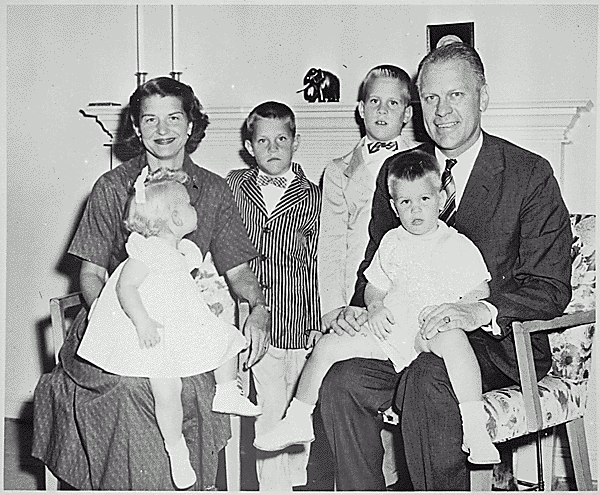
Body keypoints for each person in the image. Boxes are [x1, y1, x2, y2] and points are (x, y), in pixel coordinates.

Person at [320, 42, 572, 490]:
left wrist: (479, 310)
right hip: (402, 336)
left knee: (427, 378)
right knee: (341, 379)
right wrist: (363, 308)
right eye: (431, 98)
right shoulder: (399, 172)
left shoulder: (528, 173)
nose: (441, 111)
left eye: (455, 95)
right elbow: (377, 262)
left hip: (494, 347)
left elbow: (549, 286)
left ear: (483, 97)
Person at [33, 76, 271, 491]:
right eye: (150, 119)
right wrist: (125, 322)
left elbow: (239, 272)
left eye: (174, 117)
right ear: (137, 127)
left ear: (191, 125)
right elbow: (91, 275)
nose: (163, 130)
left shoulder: (214, 190)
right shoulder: (111, 187)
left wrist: (260, 309)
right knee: (127, 389)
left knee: (195, 384)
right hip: (119, 324)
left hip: (187, 326)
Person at [254, 150, 500, 466]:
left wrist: (455, 309)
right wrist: (375, 308)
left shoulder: (457, 245)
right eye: (406, 203)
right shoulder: (392, 241)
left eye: (424, 200)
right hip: (389, 330)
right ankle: (299, 415)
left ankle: (474, 428)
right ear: (395, 207)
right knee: (328, 345)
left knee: (454, 340)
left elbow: (481, 292)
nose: (416, 210)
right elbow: (374, 287)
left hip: (428, 332)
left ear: (441, 199)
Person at [77, 169, 262, 489]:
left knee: (224, 337)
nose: (196, 210)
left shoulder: (182, 250)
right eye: (191, 206)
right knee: (168, 389)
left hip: (177, 321)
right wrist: (143, 322)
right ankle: (175, 447)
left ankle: (227, 390)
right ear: (176, 218)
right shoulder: (145, 251)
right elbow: (126, 289)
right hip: (150, 327)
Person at [317, 64, 414, 488]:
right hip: (356, 298)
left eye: (393, 102)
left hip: (401, 297)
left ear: (407, 115)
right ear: (360, 108)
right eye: (374, 100)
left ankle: (397, 481)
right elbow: (331, 244)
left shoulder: (421, 165)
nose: (382, 110)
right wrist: (335, 306)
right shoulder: (339, 169)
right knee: (338, 380)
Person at [226, 101, 321, 491]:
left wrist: (318, 322)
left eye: (282, 139)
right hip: (256, 316)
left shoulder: (314, 195)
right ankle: (271, 487)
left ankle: (295, 484)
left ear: (296, 142)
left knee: (297, 407)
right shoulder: (233, 184)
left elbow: (319, 264)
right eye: (263, 140)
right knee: (267, 404)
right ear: (250, 147)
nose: (273, 147)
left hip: (299, 313)